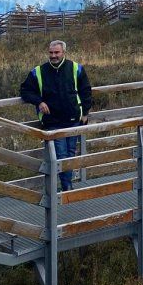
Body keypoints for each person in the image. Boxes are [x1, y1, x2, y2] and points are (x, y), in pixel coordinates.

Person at [20, 40, 92, 191]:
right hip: (52, 121)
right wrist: (39, 102)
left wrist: (85, 113)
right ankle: (67, 187)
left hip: (73, 119)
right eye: (51, 52)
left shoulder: (76, 68)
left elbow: (86, 91)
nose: (53, 56)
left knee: (70, 153)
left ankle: (67, 186)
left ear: (64, 52)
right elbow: (25, 91)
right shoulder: (38, 71)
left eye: (57, 52)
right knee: (61, 155)